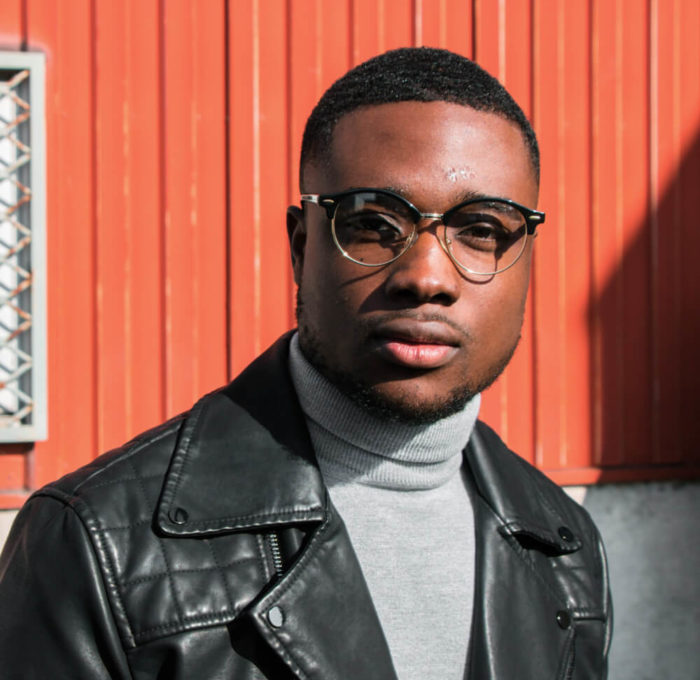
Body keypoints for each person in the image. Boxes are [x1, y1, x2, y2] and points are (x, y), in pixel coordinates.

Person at [0, 47, 612, 679]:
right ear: (300, 247)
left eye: (482, 230)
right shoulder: (96, 544)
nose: (427, 277)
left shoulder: (566, 548)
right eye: (374, 224)